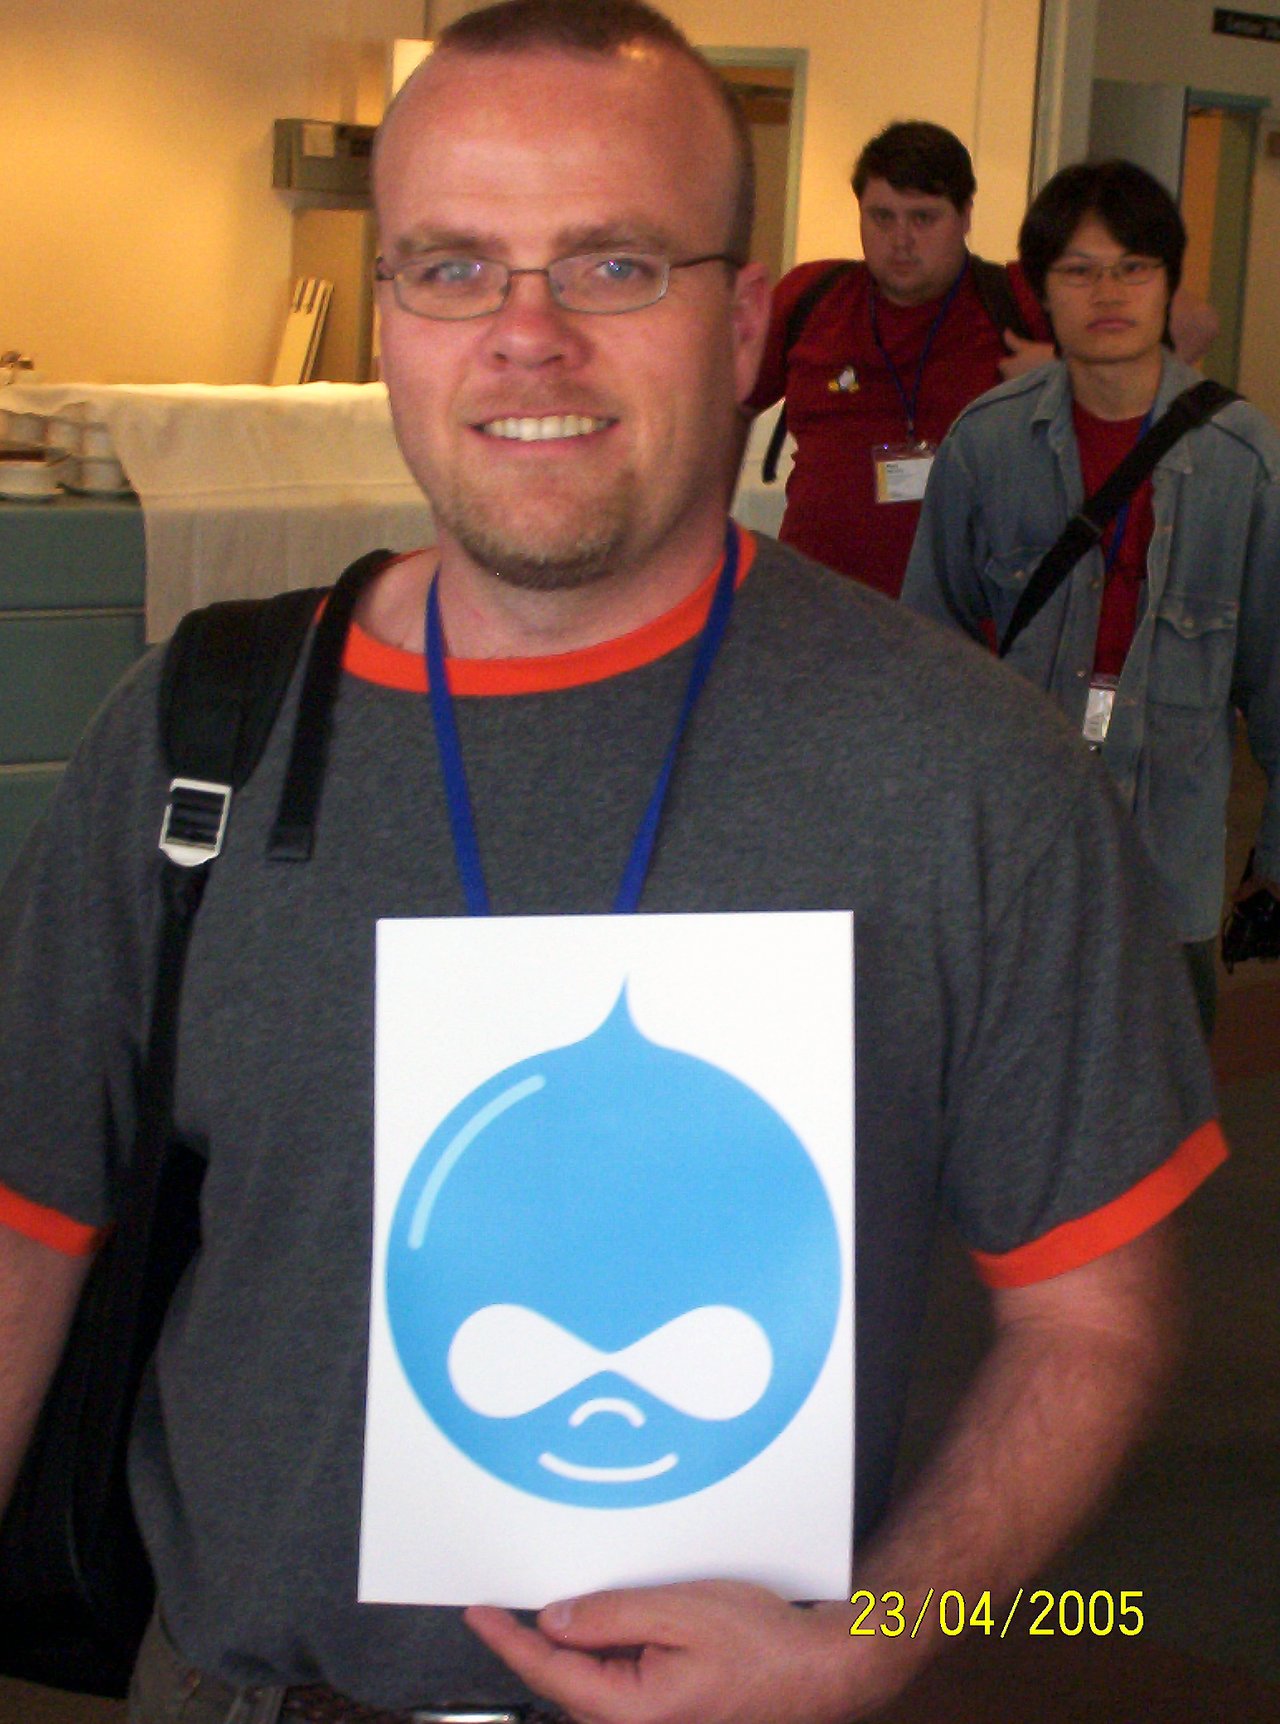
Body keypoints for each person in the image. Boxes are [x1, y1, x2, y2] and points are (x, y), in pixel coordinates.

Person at [0, 9, 1226, 1724]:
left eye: (613, 265)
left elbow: (1095, 1311)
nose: (526, 340)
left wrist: (878, 1627)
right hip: (244, 1688)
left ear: (739, 330)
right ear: (394, 315)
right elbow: (26, 1230)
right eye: (451, 269)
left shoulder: (964, 773)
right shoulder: (197, 732)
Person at [902, 158, 1280, 1037]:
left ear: (1168, 283)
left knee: (1160, 1123)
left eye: (1133, 268)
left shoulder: (1244, 456)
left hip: (1171, 853)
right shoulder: (987, 443)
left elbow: (1275, 675)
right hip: (1017, 852)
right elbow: (929, 656)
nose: (1107, 291)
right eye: (1078, 270)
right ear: (1042, 290)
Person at [748, 121, 1217, 598]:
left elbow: (1195, 322)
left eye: (923, 218)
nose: (901, 239)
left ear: (966, 214)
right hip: (815, 604)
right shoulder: (813, 298)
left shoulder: (1014, 299)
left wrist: (1067, 375)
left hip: (965, 615)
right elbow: (722, 407)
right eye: (882, 217)